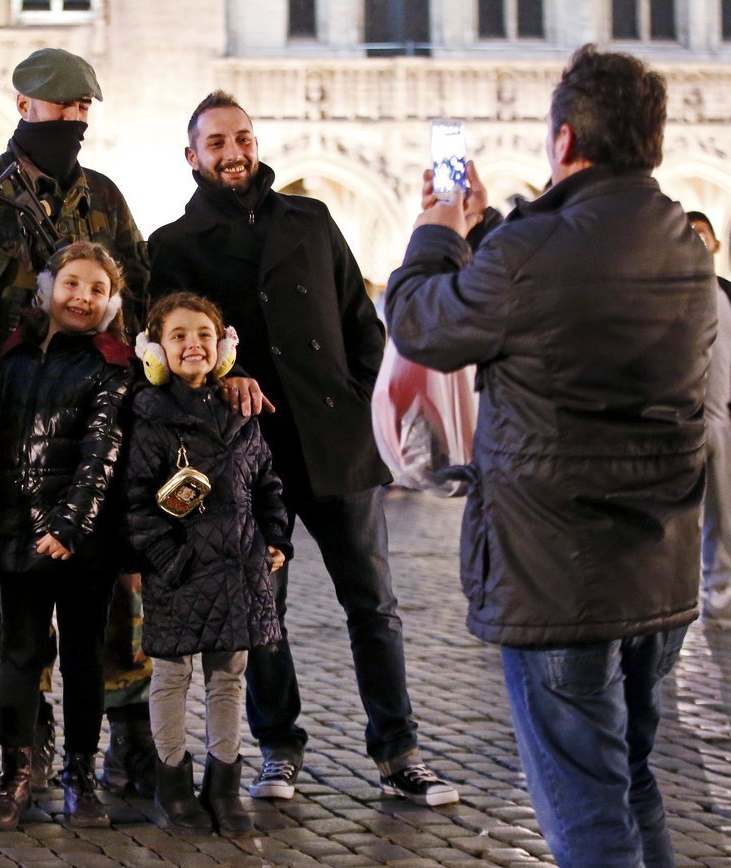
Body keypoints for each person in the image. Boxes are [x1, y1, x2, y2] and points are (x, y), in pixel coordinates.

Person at [385, 45, 713, 866]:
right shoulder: (681, 239)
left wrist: (437, 228)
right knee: (631, 782)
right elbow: (564, 288)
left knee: (585, 809)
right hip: (657, 564)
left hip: (560, 571)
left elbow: (424, 322)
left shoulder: (533, 256)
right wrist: (493, 230)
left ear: (564, 140)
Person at [148, 91, 458, 806]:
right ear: (193, 156)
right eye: (218, 142)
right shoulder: (176, 244)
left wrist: (358, 396)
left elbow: (360, 316)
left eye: (243, 138)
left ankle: (398, 750)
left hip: (337, 440)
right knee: (264, 613)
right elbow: (169, 349)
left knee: (373, 604)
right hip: (250, 455)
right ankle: (278, 748)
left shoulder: (310, 219)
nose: (234, 153)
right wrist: (226, 379)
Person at [0, 47, 156, 795]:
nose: (75, 121)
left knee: (111, 595)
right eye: (62, 108)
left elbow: (137, 295)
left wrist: (136, 398)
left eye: (84, 109)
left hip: (95, 433)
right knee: (20, 599)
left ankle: (127, 739)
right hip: (6, 432)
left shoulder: (103, 199)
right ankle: (31, 744)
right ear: (24, 106)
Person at [0, 241, 133, 830]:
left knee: (85, 659)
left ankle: (81, 774)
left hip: (82, 544)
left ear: (110, 302)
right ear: (48, 290)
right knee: (17, 656)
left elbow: (102, 453)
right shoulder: (11, 359)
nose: (81, 298)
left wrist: (69, 526)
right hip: (16, 538)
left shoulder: (111, 366)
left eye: (96, 289)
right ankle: (14, 773)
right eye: (72, 284)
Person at [125, 292, 290, 837]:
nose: (192, 344)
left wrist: (276, 538)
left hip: (240, 571)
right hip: (180, 573)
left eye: (203, 334)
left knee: (229, 679)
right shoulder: (150, 417)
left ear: (221, 346)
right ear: (156, 350)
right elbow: (138, 504)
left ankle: (224, 784)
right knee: (172, 678)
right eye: (178, 336)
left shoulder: (240, 411)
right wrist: (170, 561)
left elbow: (267, 482)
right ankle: (171, 783)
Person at [689, 211, 731, 628]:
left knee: (724, 508)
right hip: (685, 420)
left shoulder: (725, 293)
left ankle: (721, 588)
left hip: (723, 419)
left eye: (704, 236)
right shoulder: (675, 293)